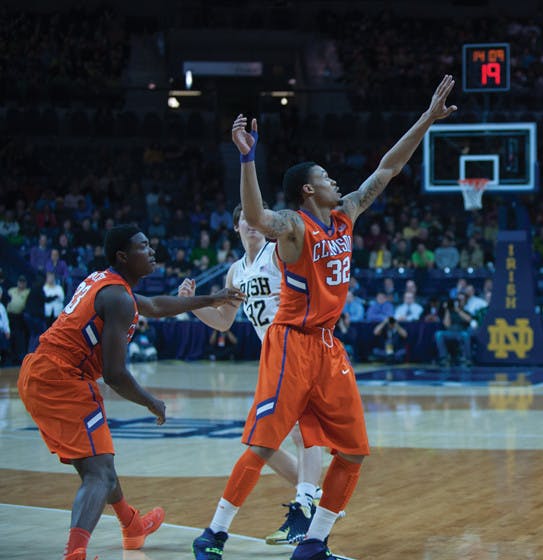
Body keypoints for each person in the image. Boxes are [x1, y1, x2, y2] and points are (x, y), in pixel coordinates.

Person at [192, 75, 456, 560]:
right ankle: (214, 533)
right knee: (263, 442)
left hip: (328, 346)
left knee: (353, 449)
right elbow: (255, 213)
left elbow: (388, 168)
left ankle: (313, 542)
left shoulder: (347, 213)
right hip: (289, 340)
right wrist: (247, 159)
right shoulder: (293, 227)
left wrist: (427, 119)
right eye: (328, 177)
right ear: (310, 189)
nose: (338, 182)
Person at [16, 225, 245, 560]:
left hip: (37, 372)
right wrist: (153, 402)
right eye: (143, 247)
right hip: (63, 378)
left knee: (97, 465)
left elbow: (153, 305)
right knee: (99, 473)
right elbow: (115, 375)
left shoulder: (109, 284)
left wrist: (212, 298)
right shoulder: (117, 298)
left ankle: (132, 525)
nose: (151, 251)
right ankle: (75, 554)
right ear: (123, 256)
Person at [179, 200, 326, 546]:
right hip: (271, 356)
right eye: (245, 220)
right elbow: (224, 321)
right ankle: (313, 502)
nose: (252, 224)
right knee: (262, 441)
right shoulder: (235, 271)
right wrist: (193, 303)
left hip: (297, 350)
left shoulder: (279, 253)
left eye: (257, 219)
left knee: (299, 434)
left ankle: (306, 507)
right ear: (236, 227)